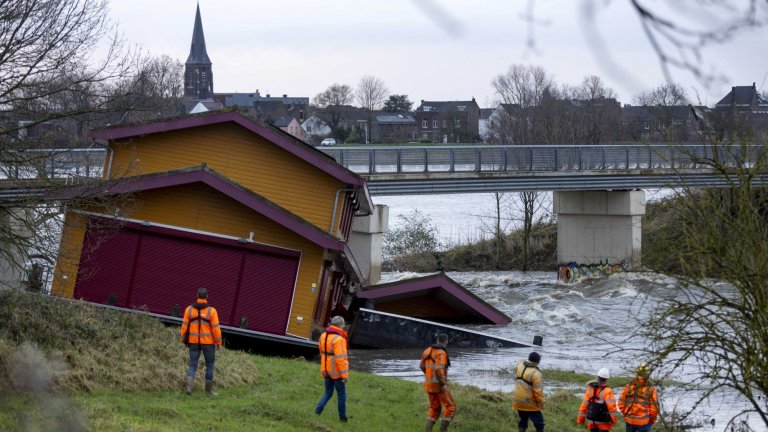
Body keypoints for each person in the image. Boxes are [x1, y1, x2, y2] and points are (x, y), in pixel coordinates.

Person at [180, 287, 222, 396]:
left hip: (193, 342)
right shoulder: (212, 311)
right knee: (209, 365)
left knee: (192, 365)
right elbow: (216, 329)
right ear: (207, 297)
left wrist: (182, 339)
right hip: (208, 344)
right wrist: (218, 343)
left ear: (197, 296)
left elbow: (184, 327)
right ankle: (209, 391)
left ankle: (189, 388)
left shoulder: (188, 309)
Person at [315, 315, 349, 422]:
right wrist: (345, 375)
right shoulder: (339, 339)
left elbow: (321, 352)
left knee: (328, 392)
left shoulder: (323, 335)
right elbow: (341, 359)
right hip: (336, 372)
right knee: (341, 395)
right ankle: (343, 418)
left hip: (325, 370)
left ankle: (317, 411)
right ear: (340, 325)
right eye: (343, 325)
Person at [420, 333, 456, 432]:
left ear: (437, 341)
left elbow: (422, 366)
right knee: (451, 407)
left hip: (429, 385)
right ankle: (443, 430)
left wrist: (429, 376)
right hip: (439, 386)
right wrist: (443, 384)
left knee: (434, 409)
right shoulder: (441, 353)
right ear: (446, 342)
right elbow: (439, 369)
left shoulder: (427, 350)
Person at [618, 363, 659, 432]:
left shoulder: (628, 387)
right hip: (644, 422)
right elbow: (654, 410)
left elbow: (620, 403)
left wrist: (626, 414)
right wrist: (652, 420)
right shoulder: (651, 390)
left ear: (637, 373)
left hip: (630, 420)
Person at [511, 351, 545, 432]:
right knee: (539, 423)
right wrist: (542, 402)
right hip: (529, 402)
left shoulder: (520, 366)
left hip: (517, 400)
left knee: (523, 420)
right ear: (538, 362)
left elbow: (519, 362)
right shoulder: (536, 374)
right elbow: (537, 392)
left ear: (529, 358)